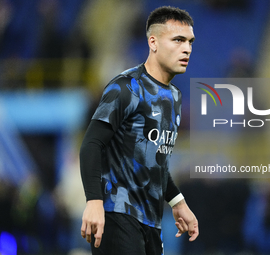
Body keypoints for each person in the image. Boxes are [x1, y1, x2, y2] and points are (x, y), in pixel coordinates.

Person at [79, 6, 199, 255]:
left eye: (189, 41)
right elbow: (91, 144)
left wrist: (178, 202)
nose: (186, 48)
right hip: (116, 215)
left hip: (151, 222)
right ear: (153, 42)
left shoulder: (174, 98)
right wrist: (93, 201)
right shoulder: (125, 87)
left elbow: (155, 163)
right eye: (177, 40)